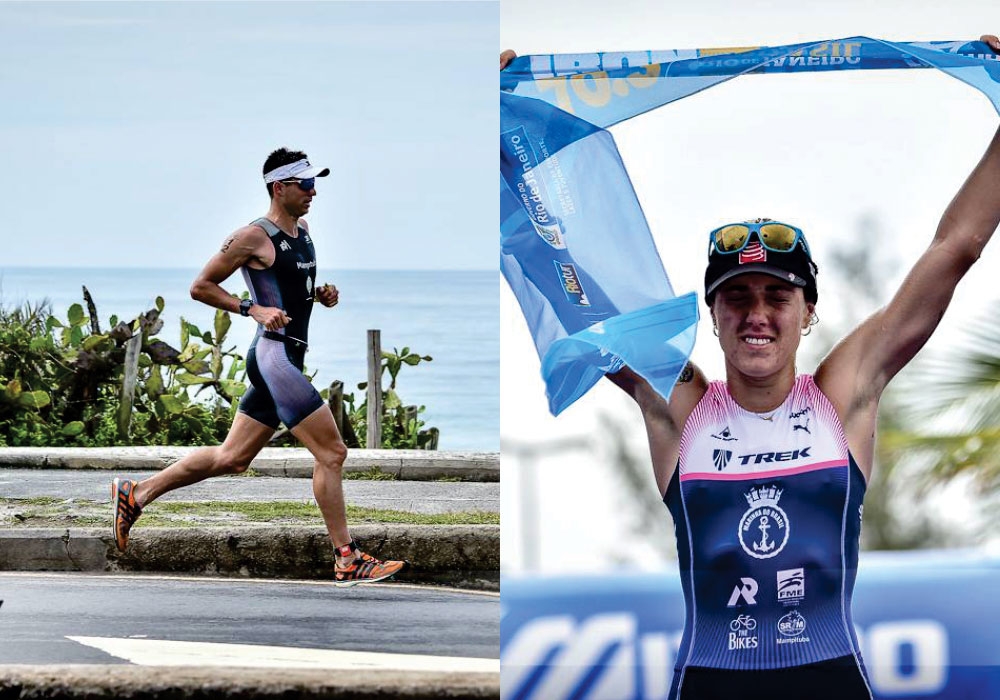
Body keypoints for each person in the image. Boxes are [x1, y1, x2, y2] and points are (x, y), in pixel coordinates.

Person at [503, 35, 1000, 699]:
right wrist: (503, 144)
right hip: (711, 680)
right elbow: (577, 292)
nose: (756, 313)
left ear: (808, 313)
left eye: (776, 297)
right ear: (712, 314)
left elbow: (955, 250)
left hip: (830, 680)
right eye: (735, 297)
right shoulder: (679, 405)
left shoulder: (844, 393)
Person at [111, 147, 407, 587]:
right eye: (305, 184)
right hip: (274, 358)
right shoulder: (252, 237)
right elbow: (201, 287)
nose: (313, 192)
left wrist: (318, 295)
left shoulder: (303, 232)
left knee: (233, 458)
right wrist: (251, 308)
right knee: (333, 453)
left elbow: (292, 289)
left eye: (315, 183)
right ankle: (346, 558)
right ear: (279, 187)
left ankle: (137, 494)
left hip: (289, 353)